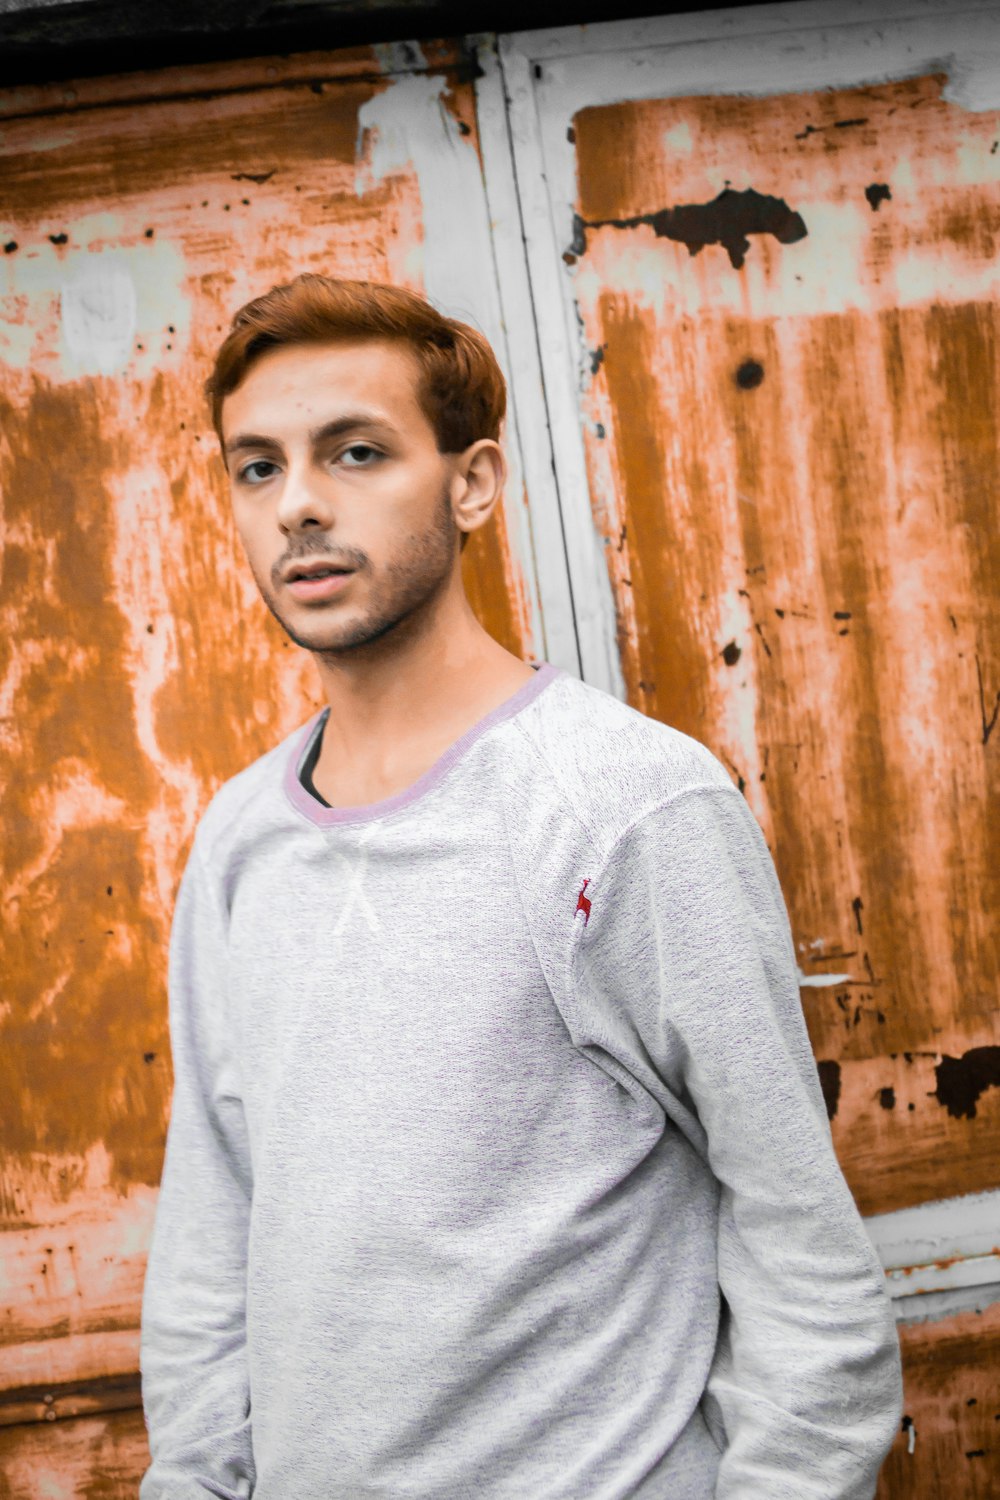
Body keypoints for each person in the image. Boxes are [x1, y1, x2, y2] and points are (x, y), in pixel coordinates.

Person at [139, 274, 902, 1500]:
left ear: (473, 483)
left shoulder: (625, 807)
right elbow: (211, 1233)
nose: (300, 508)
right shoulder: (238, 841)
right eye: (258, 468)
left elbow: (801, 1252)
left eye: (356, 452)